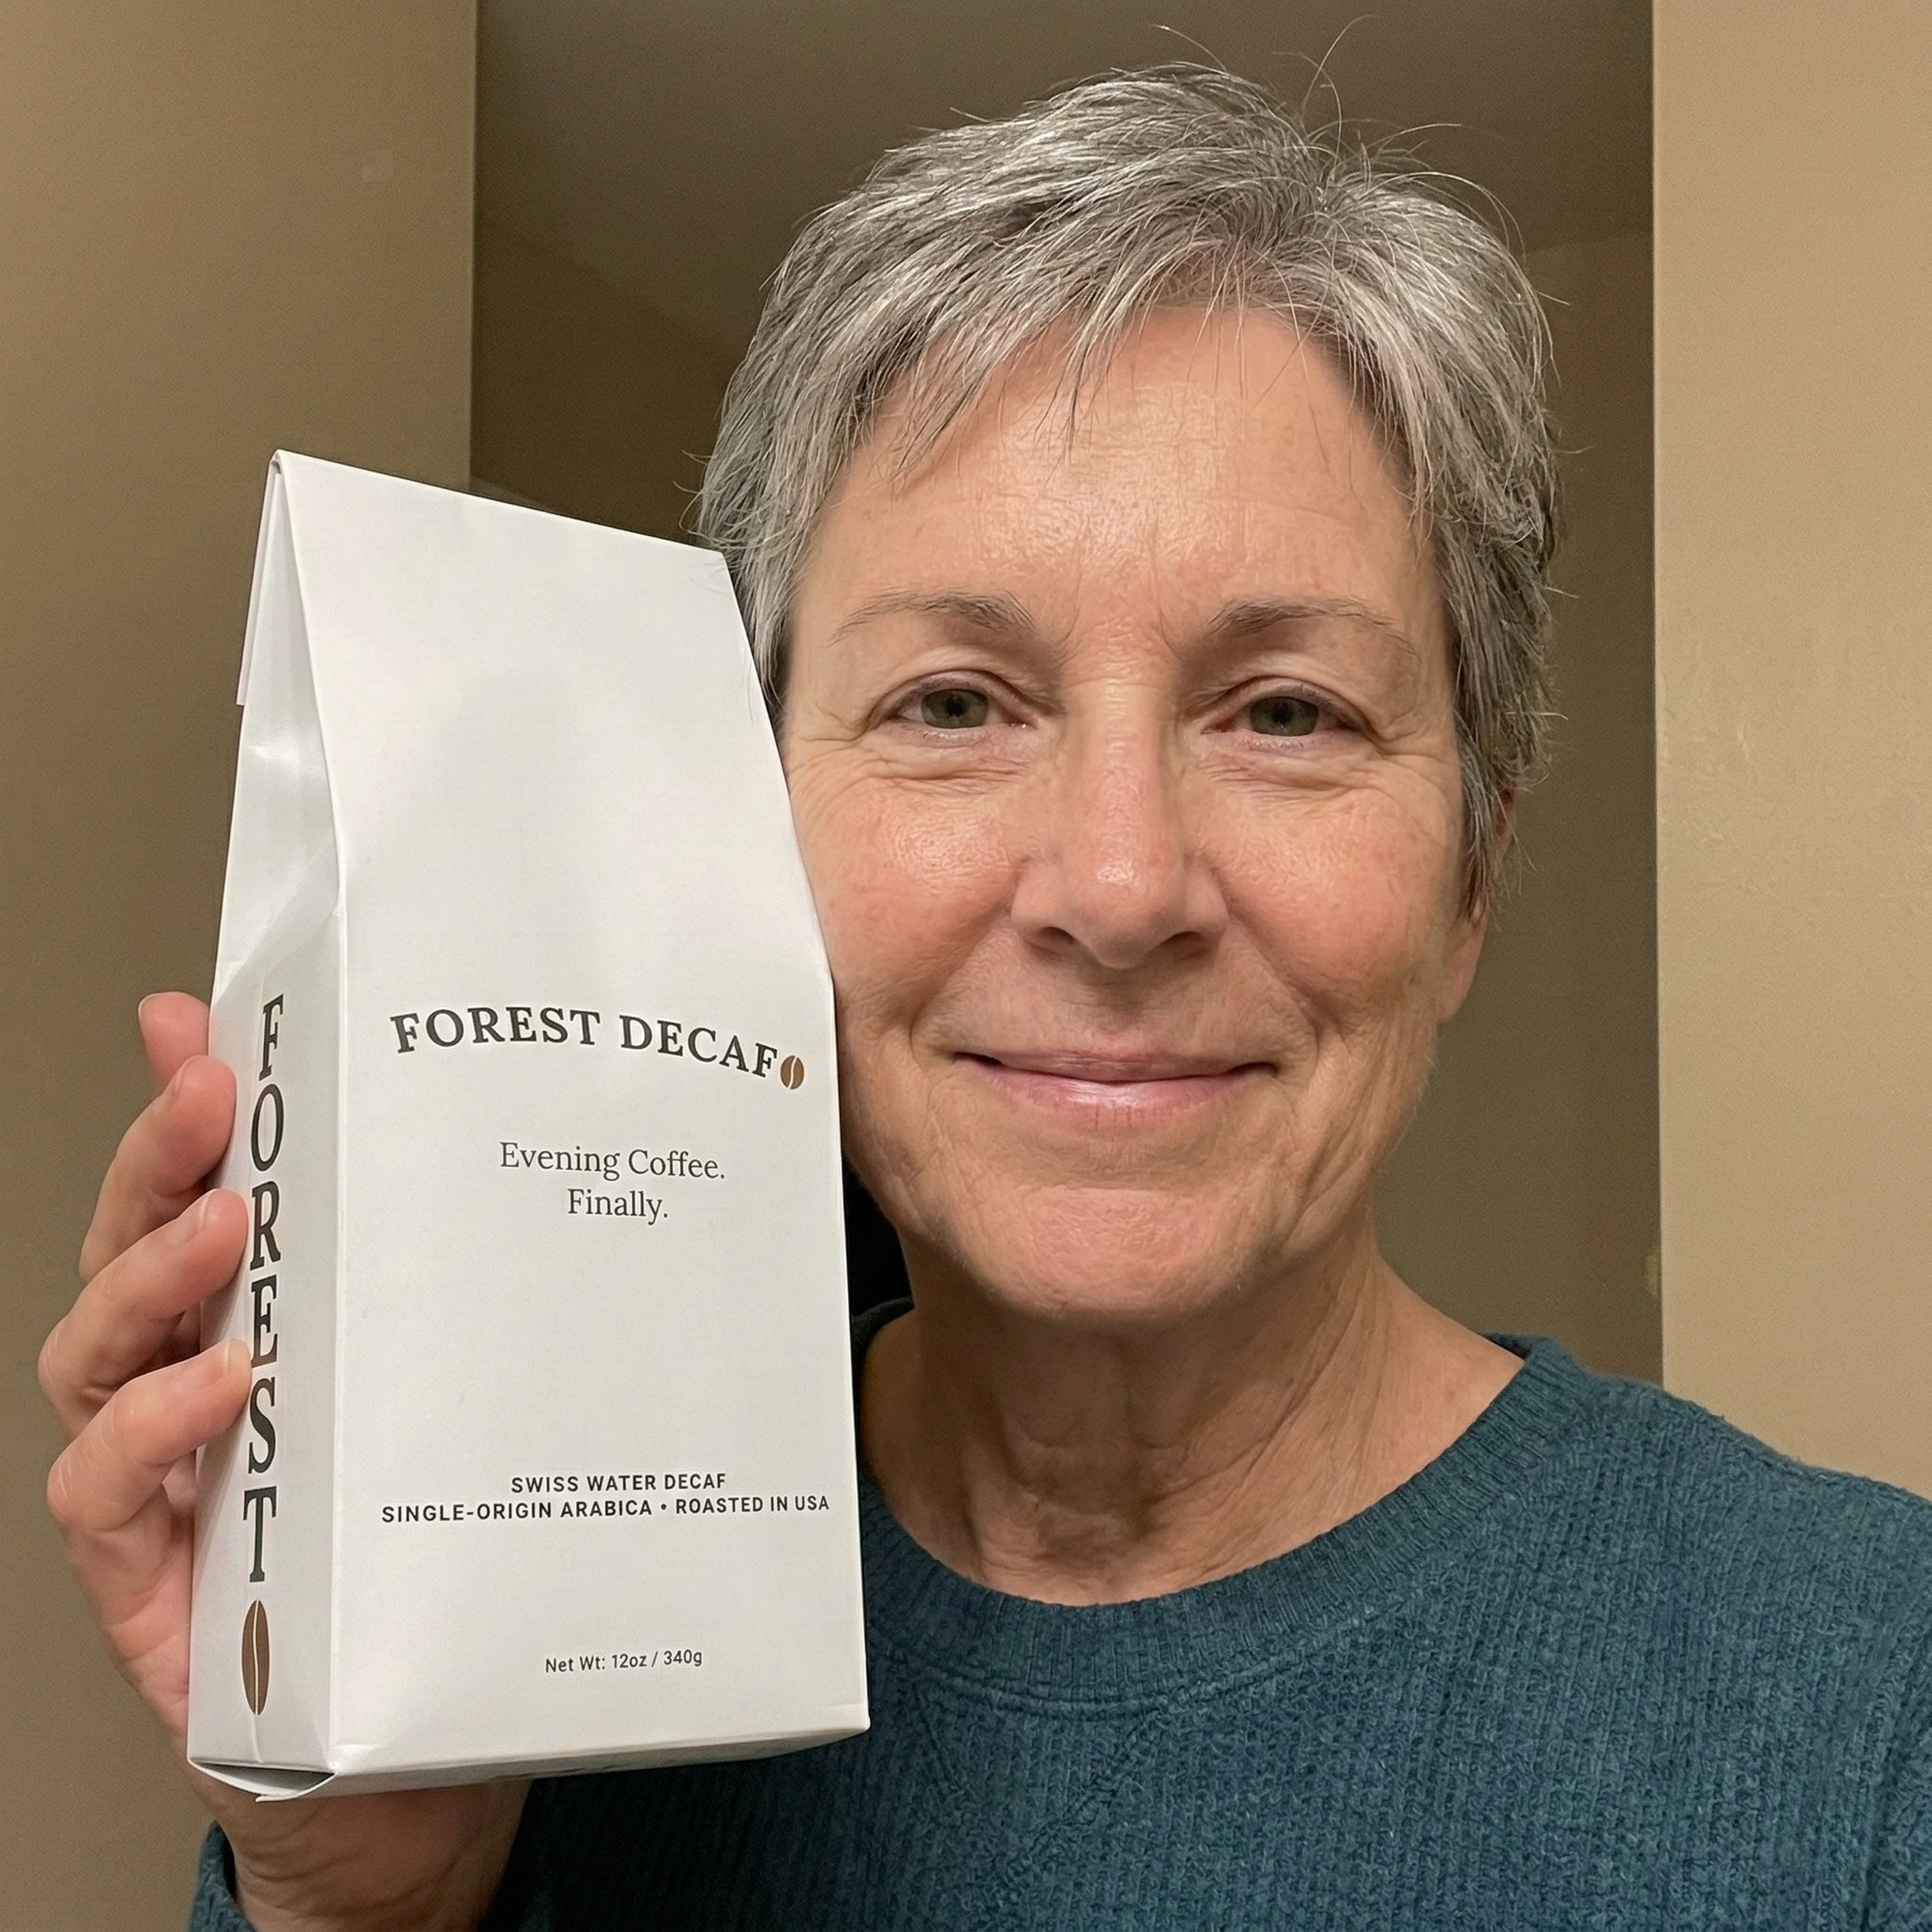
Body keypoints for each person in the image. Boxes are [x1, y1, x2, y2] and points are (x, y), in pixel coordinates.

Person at [40, 67, 1932, 1931]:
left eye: (1288, 712)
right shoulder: (517, 1664)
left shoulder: (1868, 1708)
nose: (1118, 889)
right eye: (954, 704)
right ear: (739, 827)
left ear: (1471, 878)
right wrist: (365, 1911)